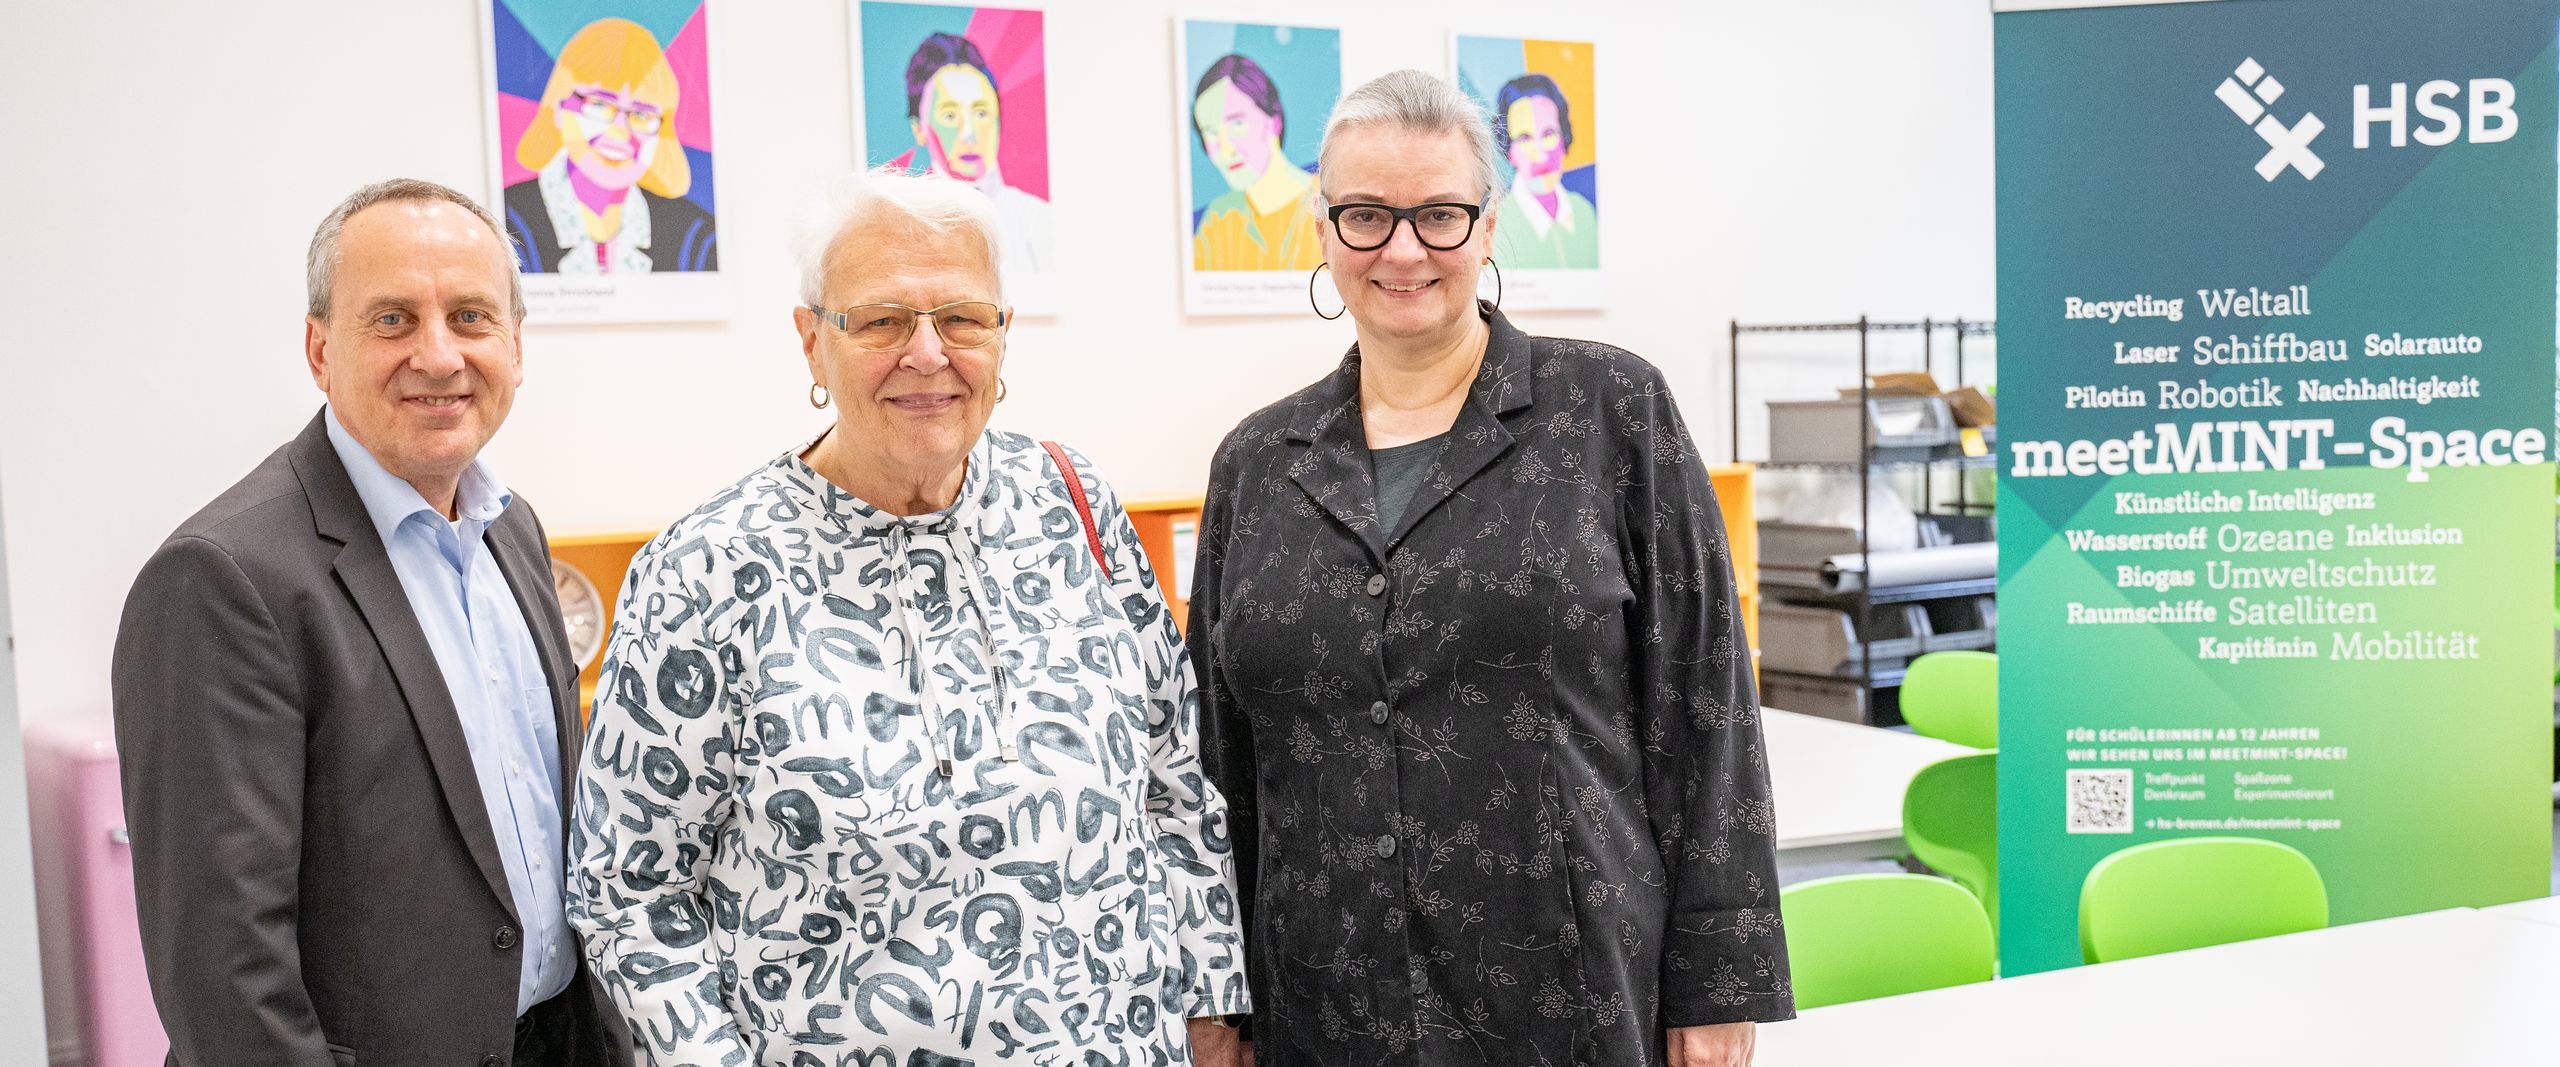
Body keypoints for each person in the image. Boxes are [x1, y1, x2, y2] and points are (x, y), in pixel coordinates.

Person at [567, 169, 1250, 1066]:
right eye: (882, 320)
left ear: (1004, 336)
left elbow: (1174, 782)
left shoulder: (1074, 502)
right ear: (812, 341)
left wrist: (1210, 1010)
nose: (928, 353)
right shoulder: (707, 571)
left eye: (962, 318)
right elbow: (631, 888)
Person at [1190, 70, 1793, 1067]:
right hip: (1323, 1000)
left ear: (1488, 224)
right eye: (1365, 216)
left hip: (1572, 992)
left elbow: (1706, 707)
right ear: (1321, 226)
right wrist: (1216, 991)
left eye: (1437, 214)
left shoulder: (1608, 411)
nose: (1402, 249)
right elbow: (1218, 764)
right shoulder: (1256, 462)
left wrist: (1719, 985)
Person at [111, 178, 627, 1066]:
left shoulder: (514, 529)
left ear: (514, 344)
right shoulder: (223, 577)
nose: (438, 355)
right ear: (318, 349)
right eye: (392, 320)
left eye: (471, 317)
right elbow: (221, 968)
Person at [503, 17, 718, 275]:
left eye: (641, 115)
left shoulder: (697, 237)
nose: (619, 132)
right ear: (560, 107)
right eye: (600, 105)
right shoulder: (508, 223)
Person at [901, 31, 1052, 300]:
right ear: (919, 129)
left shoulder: (1037, 218)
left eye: (981, 113)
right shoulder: (901, 226)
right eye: (950, 115)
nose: (969, 134)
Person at [1190, 53, 1321, 271]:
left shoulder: (1330, 205)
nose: (1226, 148)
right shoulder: (1217, 219)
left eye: (1236, 124)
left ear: (1274, 121)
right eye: (1210, 133)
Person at [1491, 73, 1598, 269]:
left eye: (1549, 134)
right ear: (1509, 151)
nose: (1540, 155)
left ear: (1564, 138)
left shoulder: (1585, 213)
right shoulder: (1498, 224)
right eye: (1525, 138)